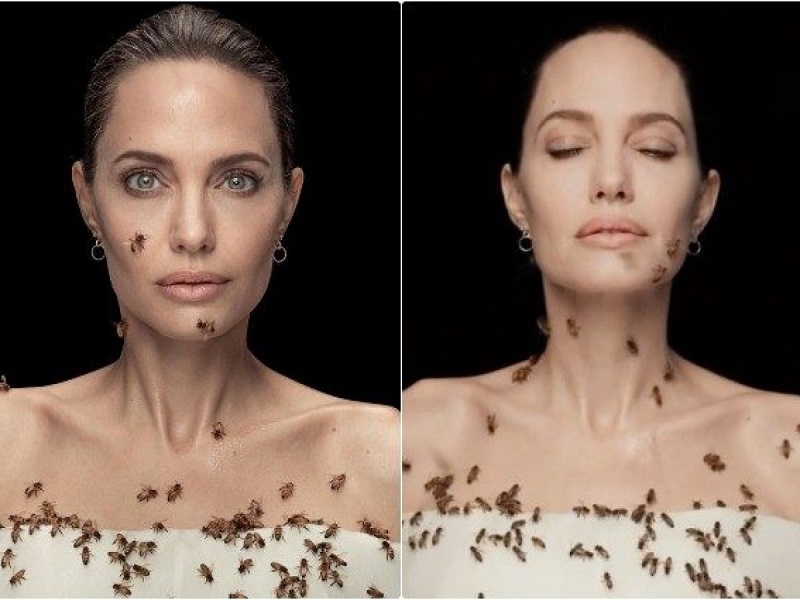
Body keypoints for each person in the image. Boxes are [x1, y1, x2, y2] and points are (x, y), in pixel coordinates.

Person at [0, 4, 399, 598]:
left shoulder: (384, 463)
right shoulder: (9, 445)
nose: (192, 233)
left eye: (236, 180)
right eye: (144, 179)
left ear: (287, 204)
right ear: (88, 201)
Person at [402, 17, 800, 598]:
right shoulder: (423, 438)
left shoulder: (785, 446)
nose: (611, 179)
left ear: (702, 203)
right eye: (568, 147)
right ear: (517, 197)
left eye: (655, 148)